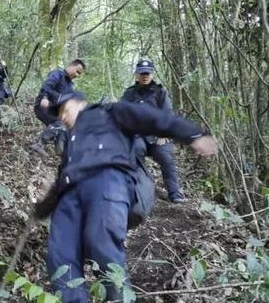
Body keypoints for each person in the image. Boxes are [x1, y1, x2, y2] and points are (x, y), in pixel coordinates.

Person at [34, 91, 217, 302]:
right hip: (68, 196)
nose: (62, 117)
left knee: (101, 245)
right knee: (60, 255)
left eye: (65, 109)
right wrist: (40, 209)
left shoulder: (111, 112)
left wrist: (193, 135)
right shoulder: (71, 140)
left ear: (81, 102)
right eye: (59, 114)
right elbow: (61, 178)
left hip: (107, 181)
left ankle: (118, 298)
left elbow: (153, 118)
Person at [121, 59, 186, 203]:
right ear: (136, 75)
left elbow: (167, 114)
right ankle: (138, 191)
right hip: (138, 136)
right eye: (142, 73)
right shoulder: (129, 93)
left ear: (152, 74)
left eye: (147, 73)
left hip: (157, 137)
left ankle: (175, 193)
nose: (145, 76)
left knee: (166, 157)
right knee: (135, 151)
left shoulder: (160, 92)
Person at [33, 59, 85, 148]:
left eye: (79, 74)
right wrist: (45, 97)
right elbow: (47, 85)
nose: (77, 75)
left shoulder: (70, 86)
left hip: (53, 109)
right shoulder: (58, 74)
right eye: (77, 72)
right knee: (59, 123)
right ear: (71, 66)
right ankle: (39, 144)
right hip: (43, 105)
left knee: (66, 127)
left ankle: (60, 150)